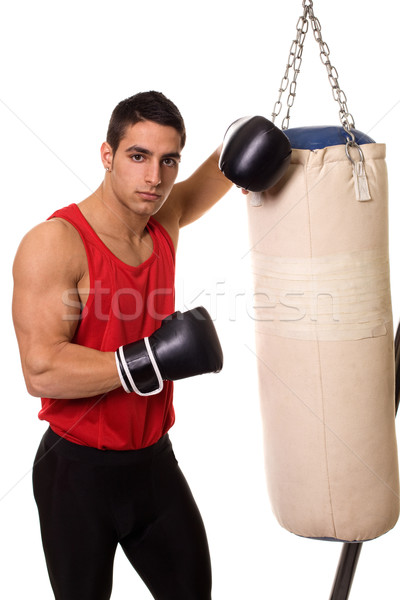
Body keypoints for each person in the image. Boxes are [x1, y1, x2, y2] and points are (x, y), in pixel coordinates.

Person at [12, 91, 233, 600]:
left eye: (168, 160)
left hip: (154, 466)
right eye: (138, 156)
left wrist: (258, 137)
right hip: (76, 476)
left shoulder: (164, 221)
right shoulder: (55, 242)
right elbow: (40, 371)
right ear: (108, 155)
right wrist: (151, 357)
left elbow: (220, 171)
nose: (154, 177)